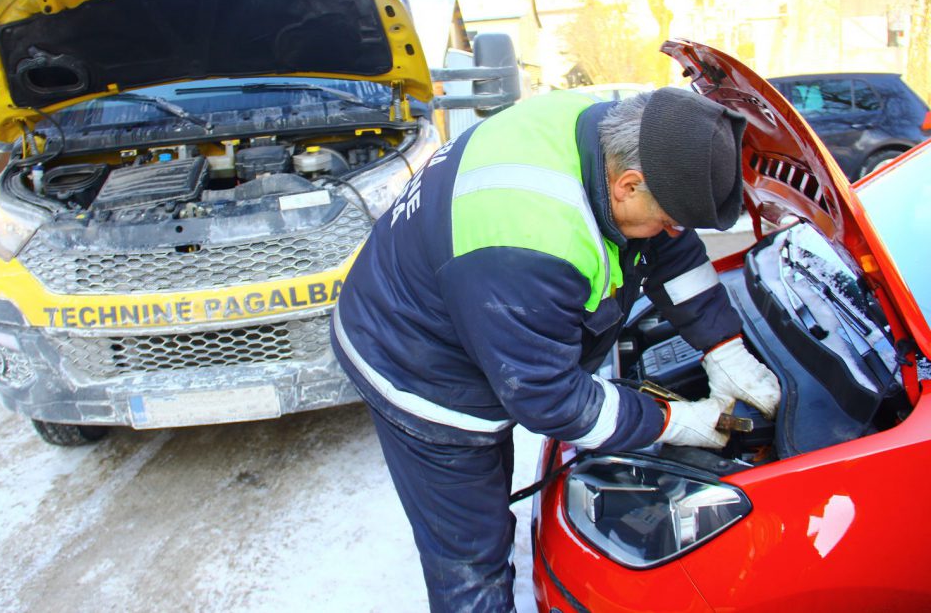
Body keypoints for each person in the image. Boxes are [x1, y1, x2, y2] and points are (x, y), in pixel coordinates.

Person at [331, 87, 781, 612]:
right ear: (627, 186)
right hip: (412, 364)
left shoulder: (606, 134)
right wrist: (674, 422)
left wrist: (725, 348)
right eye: (668, 218)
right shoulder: (529, 238)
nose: (671, 232)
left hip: (464, 299)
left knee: (487, 508)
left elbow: (671, 252)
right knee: (471, 552)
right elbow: (548, 397)